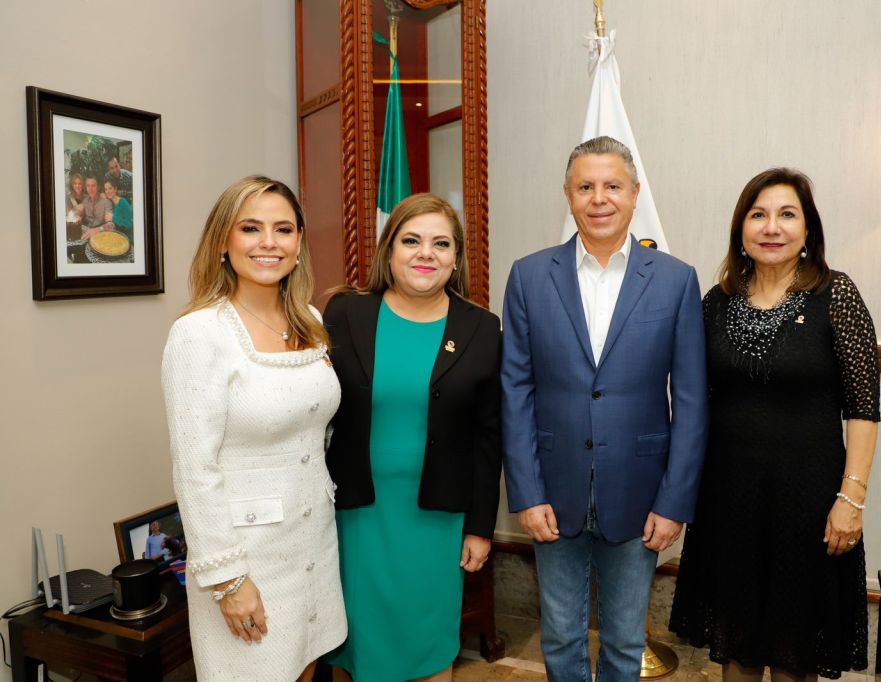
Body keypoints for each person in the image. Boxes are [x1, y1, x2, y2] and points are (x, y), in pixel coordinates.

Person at [501, 135, 709, 681]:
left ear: (635, 193)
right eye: (586, 186)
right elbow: (515, 390)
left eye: (612, 186)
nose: (600, 198)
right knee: (561, 639)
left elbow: (690, 401)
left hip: (642, 496)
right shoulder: (528, 275)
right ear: (567, 196)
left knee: (623, 644)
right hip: (552, 491)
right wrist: (525, 491)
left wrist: (676, 501)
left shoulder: (675, 280)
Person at [669, 168, 881, 680]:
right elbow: (693, 400)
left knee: (794, 653)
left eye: (787, 215)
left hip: (808, 507)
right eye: (758, 214)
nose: (771, 227)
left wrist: (850, 500)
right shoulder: (714, 304)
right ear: (741, 228)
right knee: (736, 649)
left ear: (808, 231)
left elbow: (863, 408)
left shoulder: (837, 296)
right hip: (728, 503)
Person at [161, 175, 346, 681]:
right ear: (224, 241)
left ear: (299, 243)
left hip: (312, 544)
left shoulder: (308, 319)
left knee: (306, 667)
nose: (269, 242)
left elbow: (317, 432)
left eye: (283, 229)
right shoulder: (200, 333)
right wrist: (228, 580)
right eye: (251, 228)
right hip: (248, 561)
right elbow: (195, 470)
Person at [322, 192, 502, 682]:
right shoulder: (344, 314)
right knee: (357, 646)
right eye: (412, 240)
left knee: (429, 643)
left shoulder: (482, 328)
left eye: (441, 243)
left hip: (436, 517)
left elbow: (490, 439)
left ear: (456, 258)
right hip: (356, 514)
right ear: (389, 250)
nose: (426, 253)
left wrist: (481, 527)